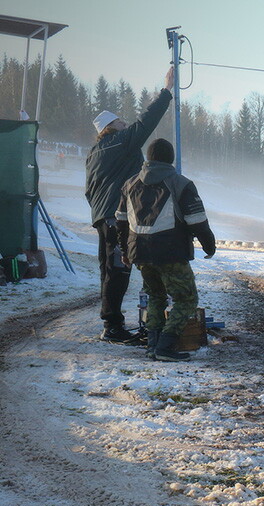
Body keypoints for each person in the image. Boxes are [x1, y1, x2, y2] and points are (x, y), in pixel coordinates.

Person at [86, 66, 175, 344]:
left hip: (102, 217)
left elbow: (89, 190)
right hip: (116, 217)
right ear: (111, 128)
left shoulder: (93, 153)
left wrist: (101, 212)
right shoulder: (121, 142)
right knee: (119, 269)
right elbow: (146, 122)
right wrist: (167, 91)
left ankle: (111, 324)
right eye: (121, 122)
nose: (126, 124)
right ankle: (112, 328)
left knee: (108, 271)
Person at [115, 139, 215, 362]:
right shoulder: (181, 184)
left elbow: (120, 222)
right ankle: (166, 345)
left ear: (148, 158)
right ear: (171, 159)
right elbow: (197, 221)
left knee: (156, 297)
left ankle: (152, 345)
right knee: (186, 299)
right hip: (171, 252)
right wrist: (209, 246)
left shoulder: (129, 184)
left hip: (139, 252)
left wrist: (125, 250)